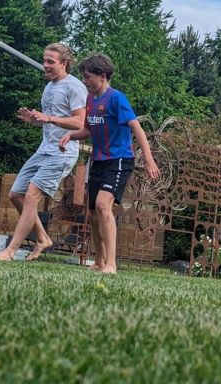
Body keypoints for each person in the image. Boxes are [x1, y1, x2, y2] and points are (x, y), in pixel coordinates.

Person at [59, 53, 159, 274]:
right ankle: (100, 261)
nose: (84, 81)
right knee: (93, 212)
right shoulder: (90, 100)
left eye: (87, 77)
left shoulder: (117, 99)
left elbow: (137, 128)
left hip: (120, 160)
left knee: (104, 205)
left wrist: (149, 160)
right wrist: (70, 136)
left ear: (102, 76)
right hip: (99, 161)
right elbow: (88, 129)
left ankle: (112, 264)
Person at [0, 43, 87, 262]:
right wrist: (34, 121)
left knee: (32, 195)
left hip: (62, 152)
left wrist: (49, 118)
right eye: (44, 60)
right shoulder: (49, 87)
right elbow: (49, 122)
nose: (45, 65)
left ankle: (10, 251)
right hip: (44, 149)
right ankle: (42, 238)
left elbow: (80, 122)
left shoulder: (75, 87)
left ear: (65, 63)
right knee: (16, 194)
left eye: (50, 62)